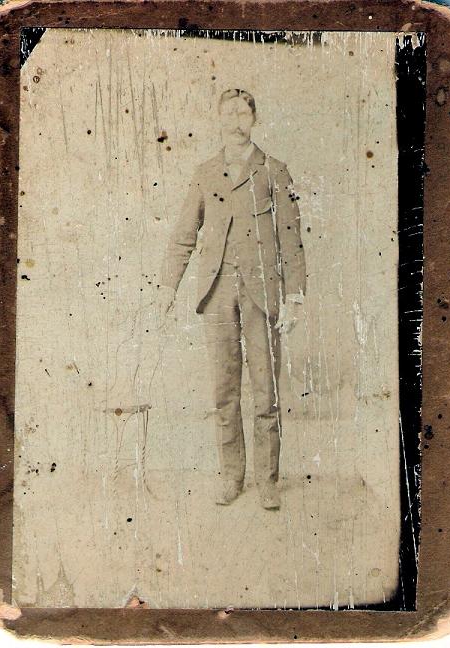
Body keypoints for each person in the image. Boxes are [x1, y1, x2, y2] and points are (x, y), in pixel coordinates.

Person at [158, 89, 306, 510]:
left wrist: (295, 296)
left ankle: (268, 481)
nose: (236, 121)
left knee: (265, 391)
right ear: (219, 120)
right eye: (229, 114)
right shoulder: (205, 173)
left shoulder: (274, 171)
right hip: (218, 292)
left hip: (262, 293)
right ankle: (231, 478)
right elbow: (185, 234)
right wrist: (167, 286)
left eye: (243, 113)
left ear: (254, 119)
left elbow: (291, 238)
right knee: (225, 391)